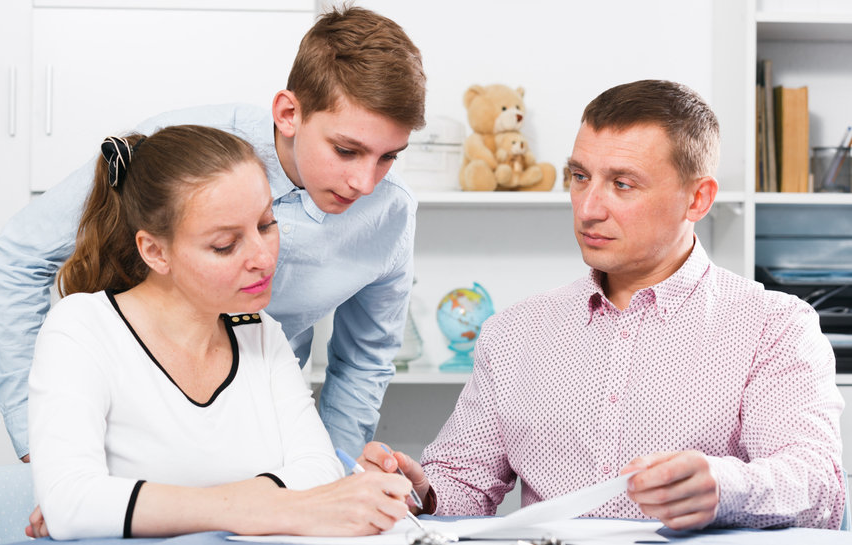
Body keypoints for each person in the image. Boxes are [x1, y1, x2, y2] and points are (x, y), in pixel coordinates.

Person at [361, 80, 846, 530]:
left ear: (697, 200)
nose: (588, 207)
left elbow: (820, 488)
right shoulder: (514, 332)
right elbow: (463, 483)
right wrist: (420, 491)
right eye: (579, 176)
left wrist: (723, 489)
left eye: (622, 184)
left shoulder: (775, 327)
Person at [0, 5, 426, 462]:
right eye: (347, 150)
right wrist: (38, 436)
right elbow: (13, 263)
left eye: (389, 156)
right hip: (128, 429)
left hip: (259, 438)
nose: (366, 183)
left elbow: (363, 363)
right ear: (289, 113)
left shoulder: (386, 215)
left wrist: (332, 475)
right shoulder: (180, 150)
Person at [27, 125, 413, 540]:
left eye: (266, 224)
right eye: (226, 245)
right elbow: (70, 503)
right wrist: (272, 508)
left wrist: (130, 506)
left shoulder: (260, 332)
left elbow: (318, 471)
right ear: (155, 251)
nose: (264, 259)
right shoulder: (82, 328)